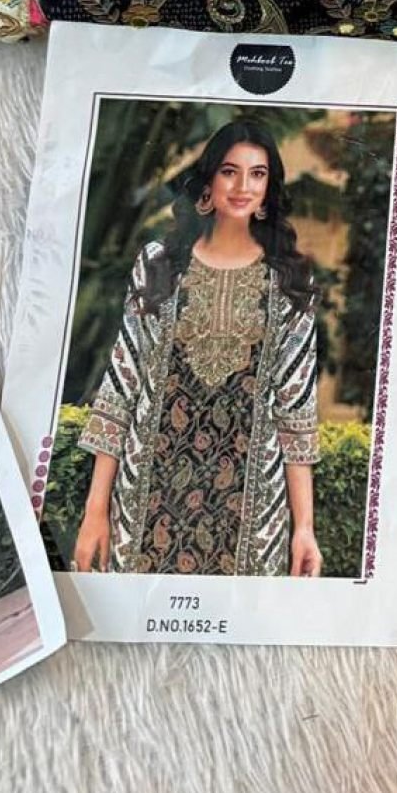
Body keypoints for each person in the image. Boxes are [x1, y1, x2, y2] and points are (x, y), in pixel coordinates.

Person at [73, 119, 322, 578]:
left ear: (269, 189)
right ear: (208, 182)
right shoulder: (159, 264)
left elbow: (296, 411)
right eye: (230, 171)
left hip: (253, 514)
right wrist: (95, 512)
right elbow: (121, 386)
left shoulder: (291, 280)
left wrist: (304, 528)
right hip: (146, 501)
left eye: (258, 174)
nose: (243, 186)